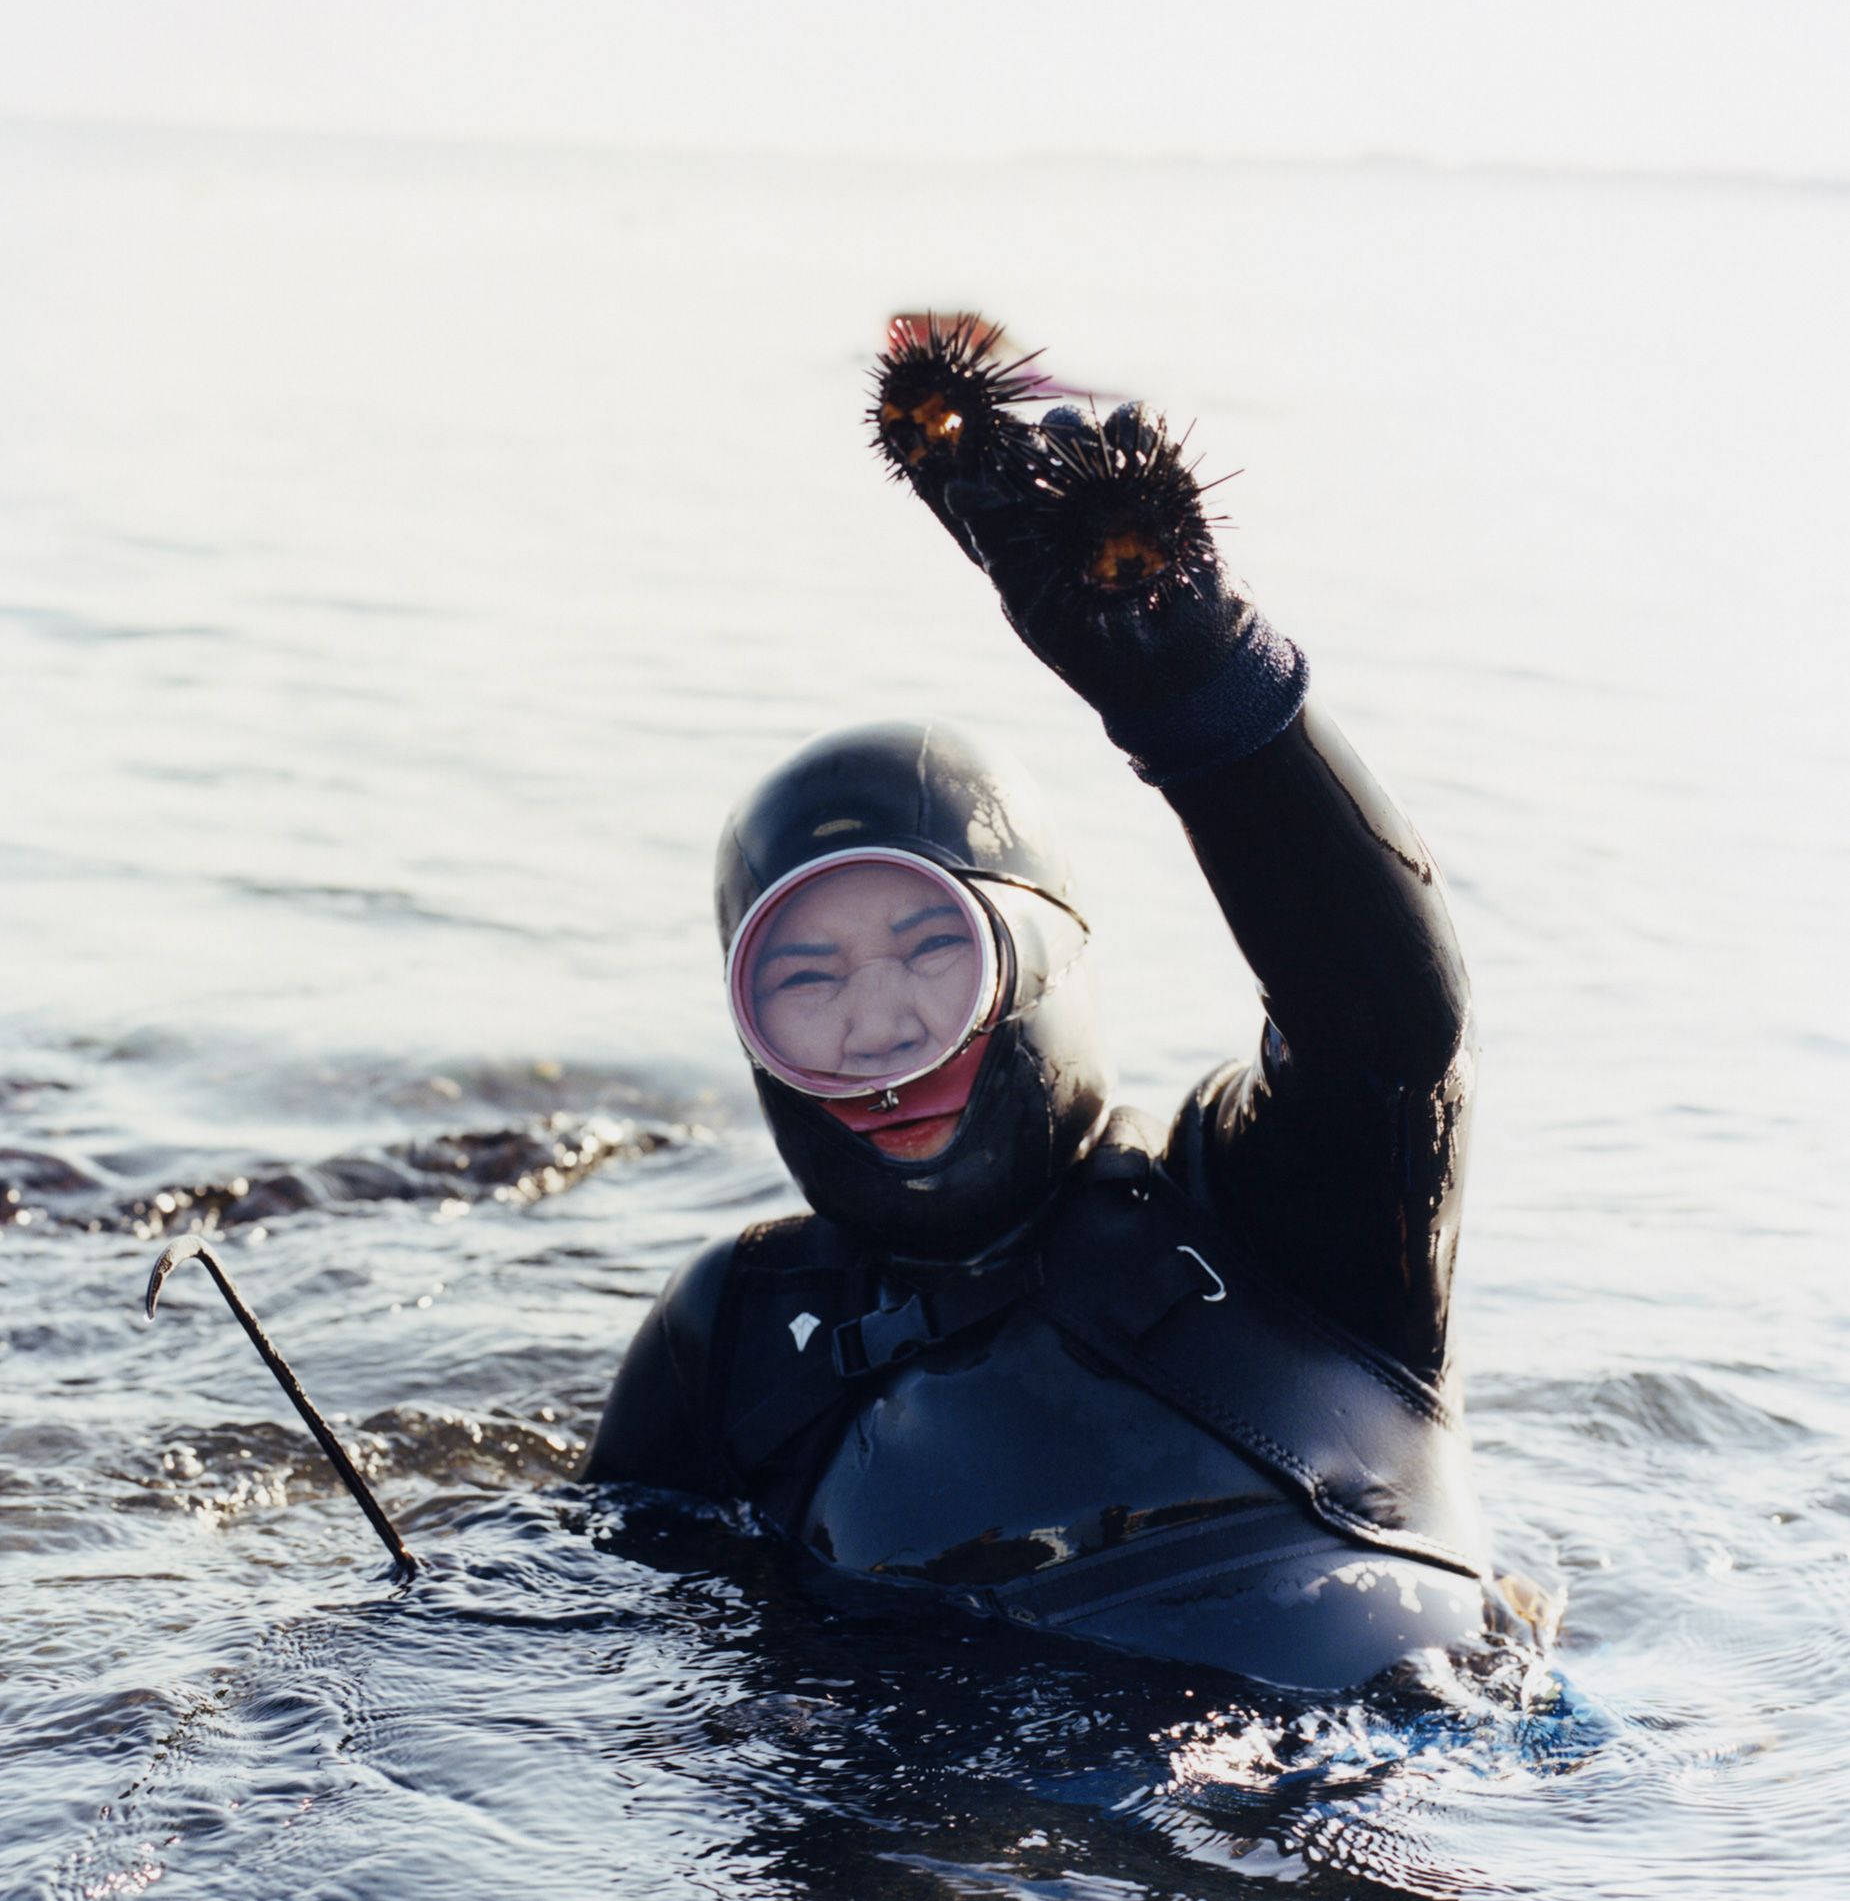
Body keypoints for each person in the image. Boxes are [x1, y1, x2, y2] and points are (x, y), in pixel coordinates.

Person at [581, 318, 1493, 1694]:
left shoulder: (1274, 1214)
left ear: (1037, 953)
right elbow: (587, 1628)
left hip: (1361, 1797)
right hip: (939, 1847)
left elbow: (1389, 1025)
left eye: (925, 950)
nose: (880, 1027)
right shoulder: (739, 1339)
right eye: (805, 980)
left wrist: (1204, 698)